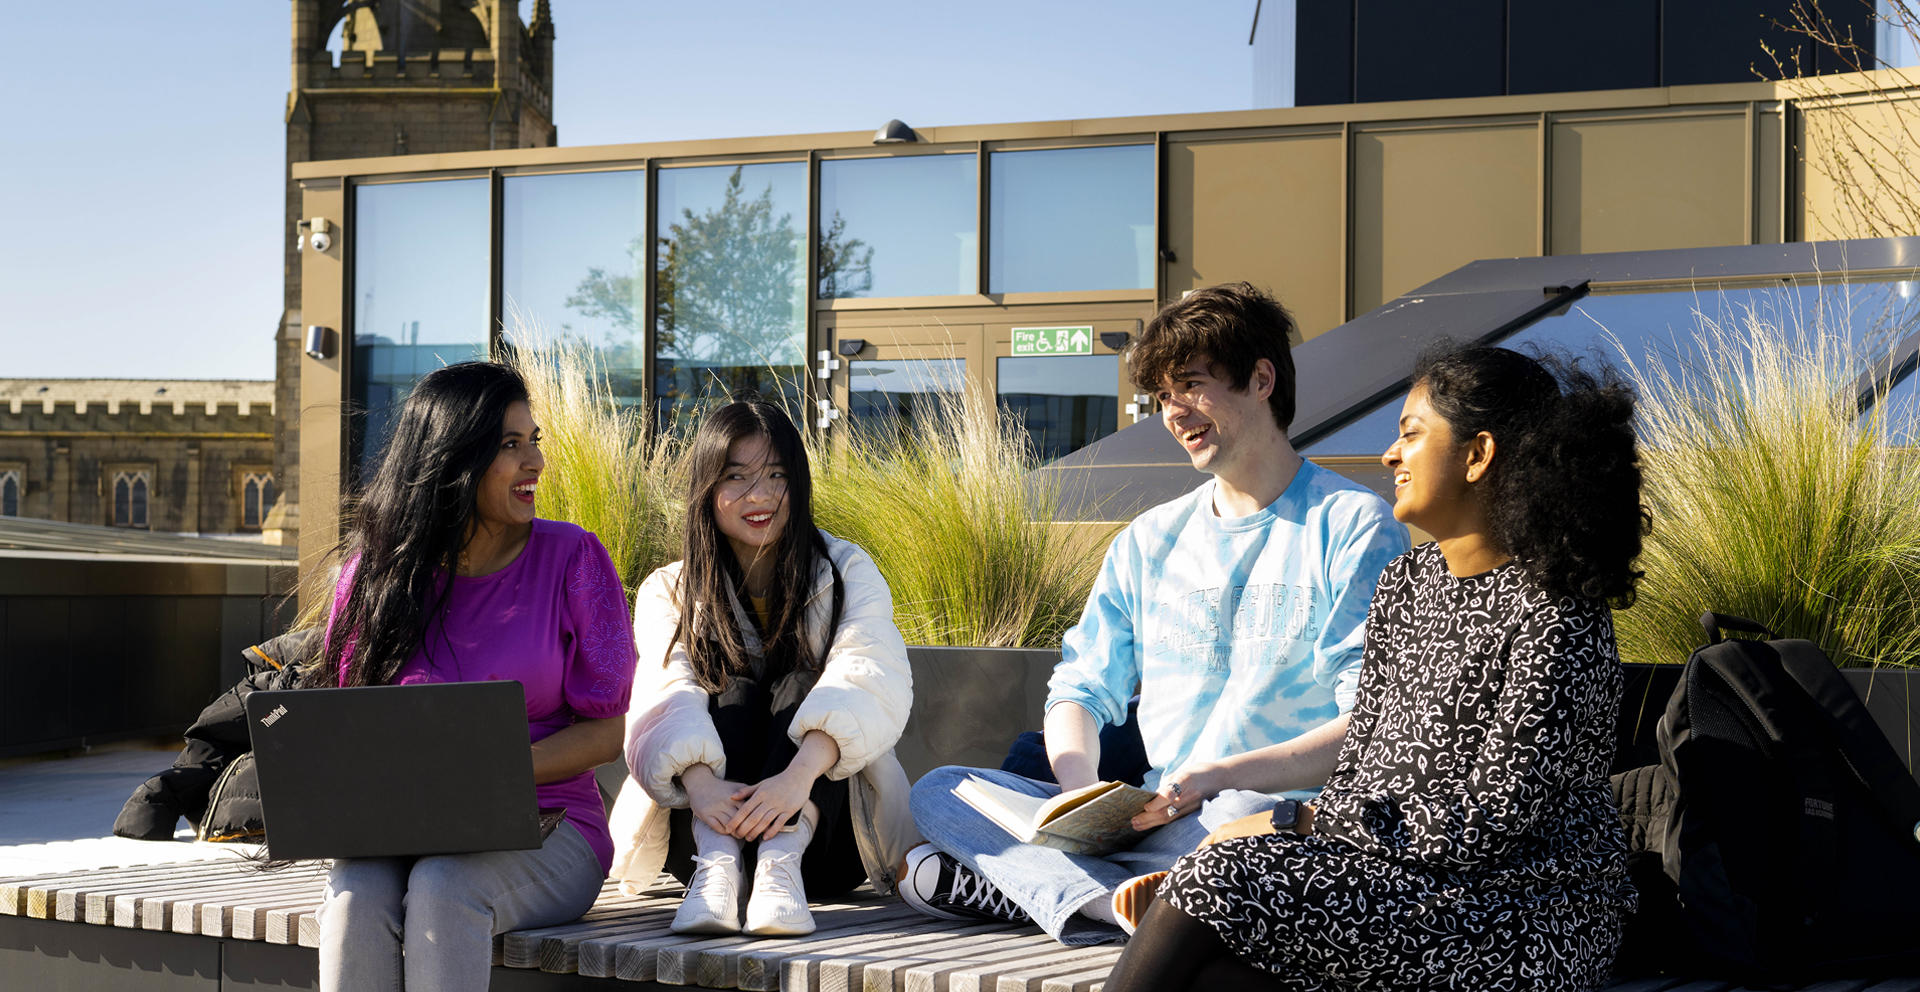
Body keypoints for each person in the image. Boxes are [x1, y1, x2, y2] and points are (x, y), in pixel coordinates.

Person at [1102, 343, 1646, 992]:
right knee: (1215, 970)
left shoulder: (1554, 611)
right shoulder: (1408, 583)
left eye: (1411, 435)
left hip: (1524, 912)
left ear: (1478, 455)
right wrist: (1300, 834)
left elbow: (1485, 823)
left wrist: (1293, 822)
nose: (1390, 455)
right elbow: (1362, 757)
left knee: (1219, 877)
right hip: (1396, 885)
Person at [901, 283, 1410, 945]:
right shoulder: (1149, 539)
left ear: (1261, 379)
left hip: (1256, 814)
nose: (1174, 412)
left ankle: (1053, 891)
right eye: (1163, 396)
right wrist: (1077, 792)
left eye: (1191, 386)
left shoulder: (1351, 525)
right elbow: (1081, 687)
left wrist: (1222, 774)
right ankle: (1117, 902)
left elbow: (1365, 727)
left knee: (1246, 825)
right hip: (1147, 817)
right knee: (944, 790)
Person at [312, 360, 637, 991]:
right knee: (354, 891)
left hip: (549, 826)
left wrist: (490, 772)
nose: (535, 462)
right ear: (453, 460)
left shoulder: (573, 559)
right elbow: (345, 725)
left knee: (444, 884)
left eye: (534, 440)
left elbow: (607, 732)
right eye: (510, 446)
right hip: (404, 823)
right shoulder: (375, 578)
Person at [608, 398, 916, 936]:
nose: (761, 495)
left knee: (806, 685)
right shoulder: (670, 589)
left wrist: (795, 782)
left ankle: (779, 868)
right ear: (707, 488)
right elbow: (664, 692)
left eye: (776, 474)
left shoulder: (846, 570)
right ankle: (721, 871)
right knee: (728, 690)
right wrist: (703, 790)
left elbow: (867, 673)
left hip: (824, 844)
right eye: (737, 477)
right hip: (701, 836)